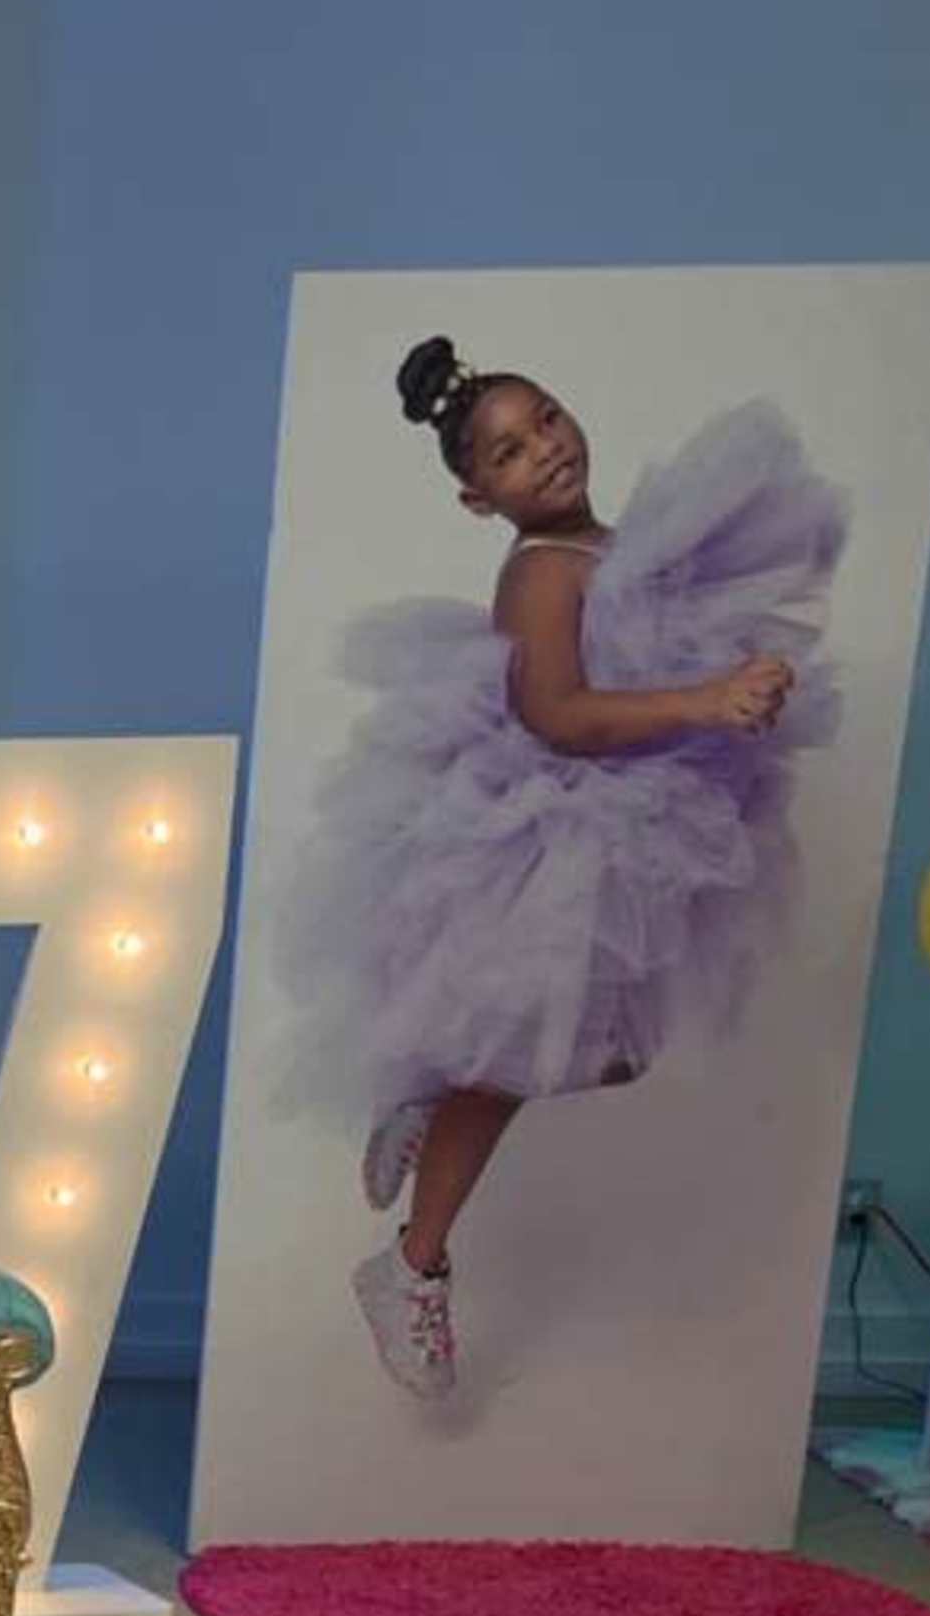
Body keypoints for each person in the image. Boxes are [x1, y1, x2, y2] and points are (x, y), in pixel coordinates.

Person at [295, 339, 839, 1407]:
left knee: (594, 1058)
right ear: (474, 496)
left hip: (626, 823)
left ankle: (428, 1099)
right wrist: (700, 702)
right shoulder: (542, 570)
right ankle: (410, 1267)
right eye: (507, 451)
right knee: (515, 1057)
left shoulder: (621, 545)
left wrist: (743, 681)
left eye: (545, 419)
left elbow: (648, 653)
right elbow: (558, 712)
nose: (542, 450)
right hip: (555, 829)